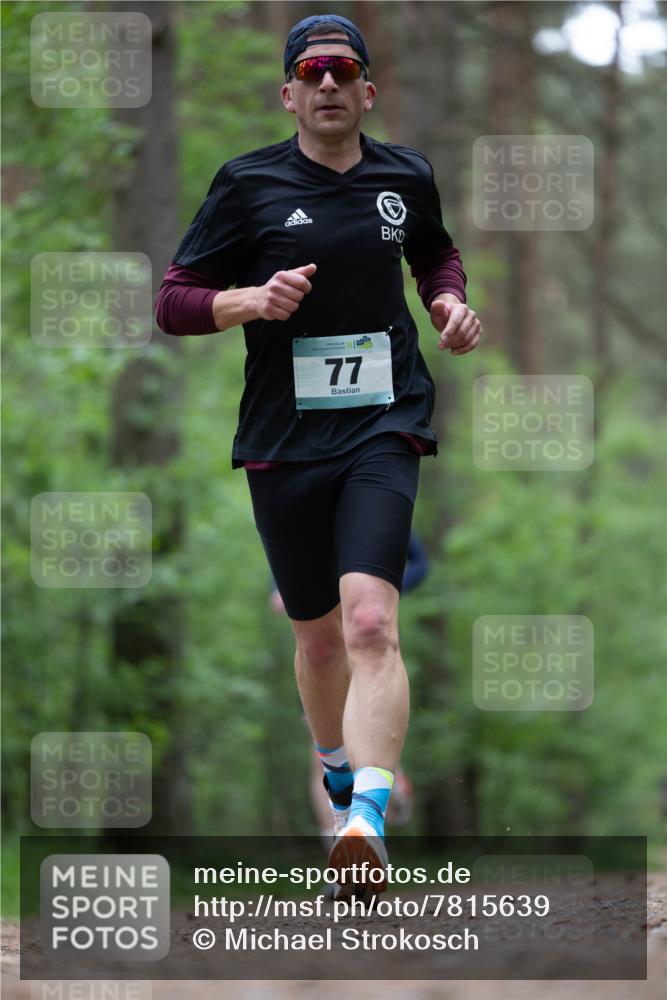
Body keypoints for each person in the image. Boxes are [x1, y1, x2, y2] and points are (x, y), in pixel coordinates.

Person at [155, 13, 481, 898]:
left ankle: (365, 818)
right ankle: (334, 762)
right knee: (317, 638)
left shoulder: (404, 175)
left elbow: (435, 254)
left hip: (385, 420)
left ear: (367, 91)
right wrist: (250, 301)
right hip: (283, 437)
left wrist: (448, 303)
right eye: (312, 72)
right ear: (289, 93)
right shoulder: (247, 183)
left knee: (370, 621)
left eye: (344, 71)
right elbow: (174, 301)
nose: (329, 84)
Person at [270, 532, 429, 840]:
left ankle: (383, 791)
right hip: (318, 650)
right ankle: (337, 843)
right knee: (322, 759)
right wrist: (279, 591)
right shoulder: (300, 508)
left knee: (370, 728)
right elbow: (278, 564)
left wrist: (387, 589)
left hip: (366, 638)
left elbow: (421, 563)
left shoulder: (368, 503)